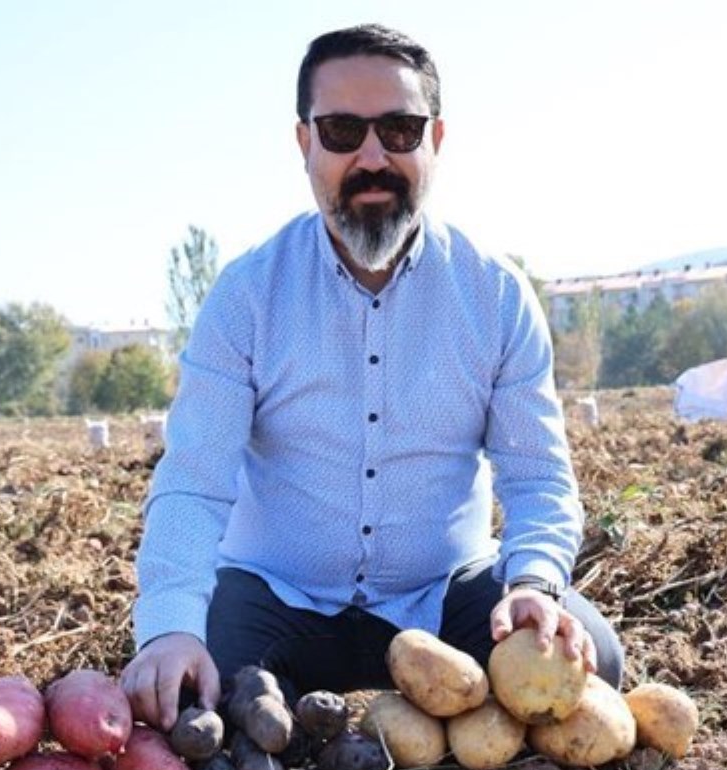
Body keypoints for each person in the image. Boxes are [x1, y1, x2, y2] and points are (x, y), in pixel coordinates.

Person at [120, 23, 623, 731]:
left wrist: (535, 582)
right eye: (342, 131)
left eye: (399, 129)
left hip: (444, 596)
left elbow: (537, 477)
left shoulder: (495, 295)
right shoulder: (247, 296)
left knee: (591, 658)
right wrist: (170, 626)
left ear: (436, 142)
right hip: (278, 600)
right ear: (304, 144)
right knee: (191, 698)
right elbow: (194, 480)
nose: (372, 156)